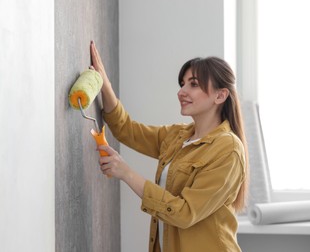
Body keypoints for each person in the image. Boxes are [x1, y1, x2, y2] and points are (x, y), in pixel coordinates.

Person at [90, 41, 248, 252]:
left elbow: (184, 213)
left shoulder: (228, 150)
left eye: (193, 84)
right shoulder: (178, 136)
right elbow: (127, 130)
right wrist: (104, 85)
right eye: (182, 84)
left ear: (220, 95)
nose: (181, 91)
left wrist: (126, 173)